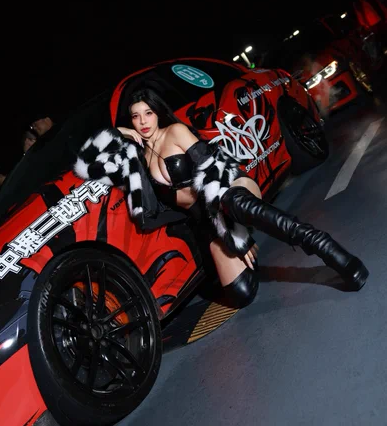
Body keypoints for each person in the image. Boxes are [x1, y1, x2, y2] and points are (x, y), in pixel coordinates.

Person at [75, 89, 368, 309]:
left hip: (226, 188)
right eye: (135, 116)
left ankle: (335, 254)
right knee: (241, 294)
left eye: (147, 113)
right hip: (206, 220)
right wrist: (118, 132)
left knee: (236, 204)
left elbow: (212, 171)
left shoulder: (174, 132)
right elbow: (86, 164)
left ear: (157, 112)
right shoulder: (136, 157)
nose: (142, 122)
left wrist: (230, 231)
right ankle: (240, 247)